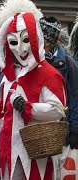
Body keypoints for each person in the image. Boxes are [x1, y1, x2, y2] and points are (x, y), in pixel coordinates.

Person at [0, 12, 66, 179]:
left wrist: (28, 108)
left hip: (36, 152)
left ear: (35, 38)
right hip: (8, 151)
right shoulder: (8, 75)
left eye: (26, 40)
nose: (20, 48)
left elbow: (58, 110)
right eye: (13, 42)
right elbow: (0, 111)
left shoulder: (48, 74)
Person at [40, 16, 78, 149]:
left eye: (45, 40)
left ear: (51, 41)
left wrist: (75, 129)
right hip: (38, 129)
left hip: (62, 129)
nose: (43, 44)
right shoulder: (33, 61)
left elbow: (75, 96)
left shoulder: (68, 64)